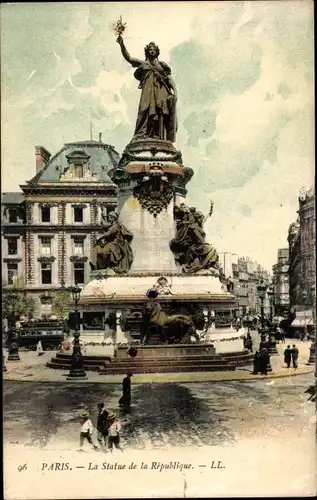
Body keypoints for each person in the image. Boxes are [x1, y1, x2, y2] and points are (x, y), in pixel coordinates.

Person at [117, 35, 178, 142]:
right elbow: (129, 58)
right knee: (144, 110)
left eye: (154, 49)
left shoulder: (162, 65)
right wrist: (122, 45)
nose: (152, 51)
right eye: (150, 49)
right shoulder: (143, 63)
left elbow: (169, 79)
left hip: (160, 92)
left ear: (157, 52)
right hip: (147, 92)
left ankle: (157, 137)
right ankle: (142, 134)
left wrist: (175, 91)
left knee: (159, 114)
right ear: (147, 51)